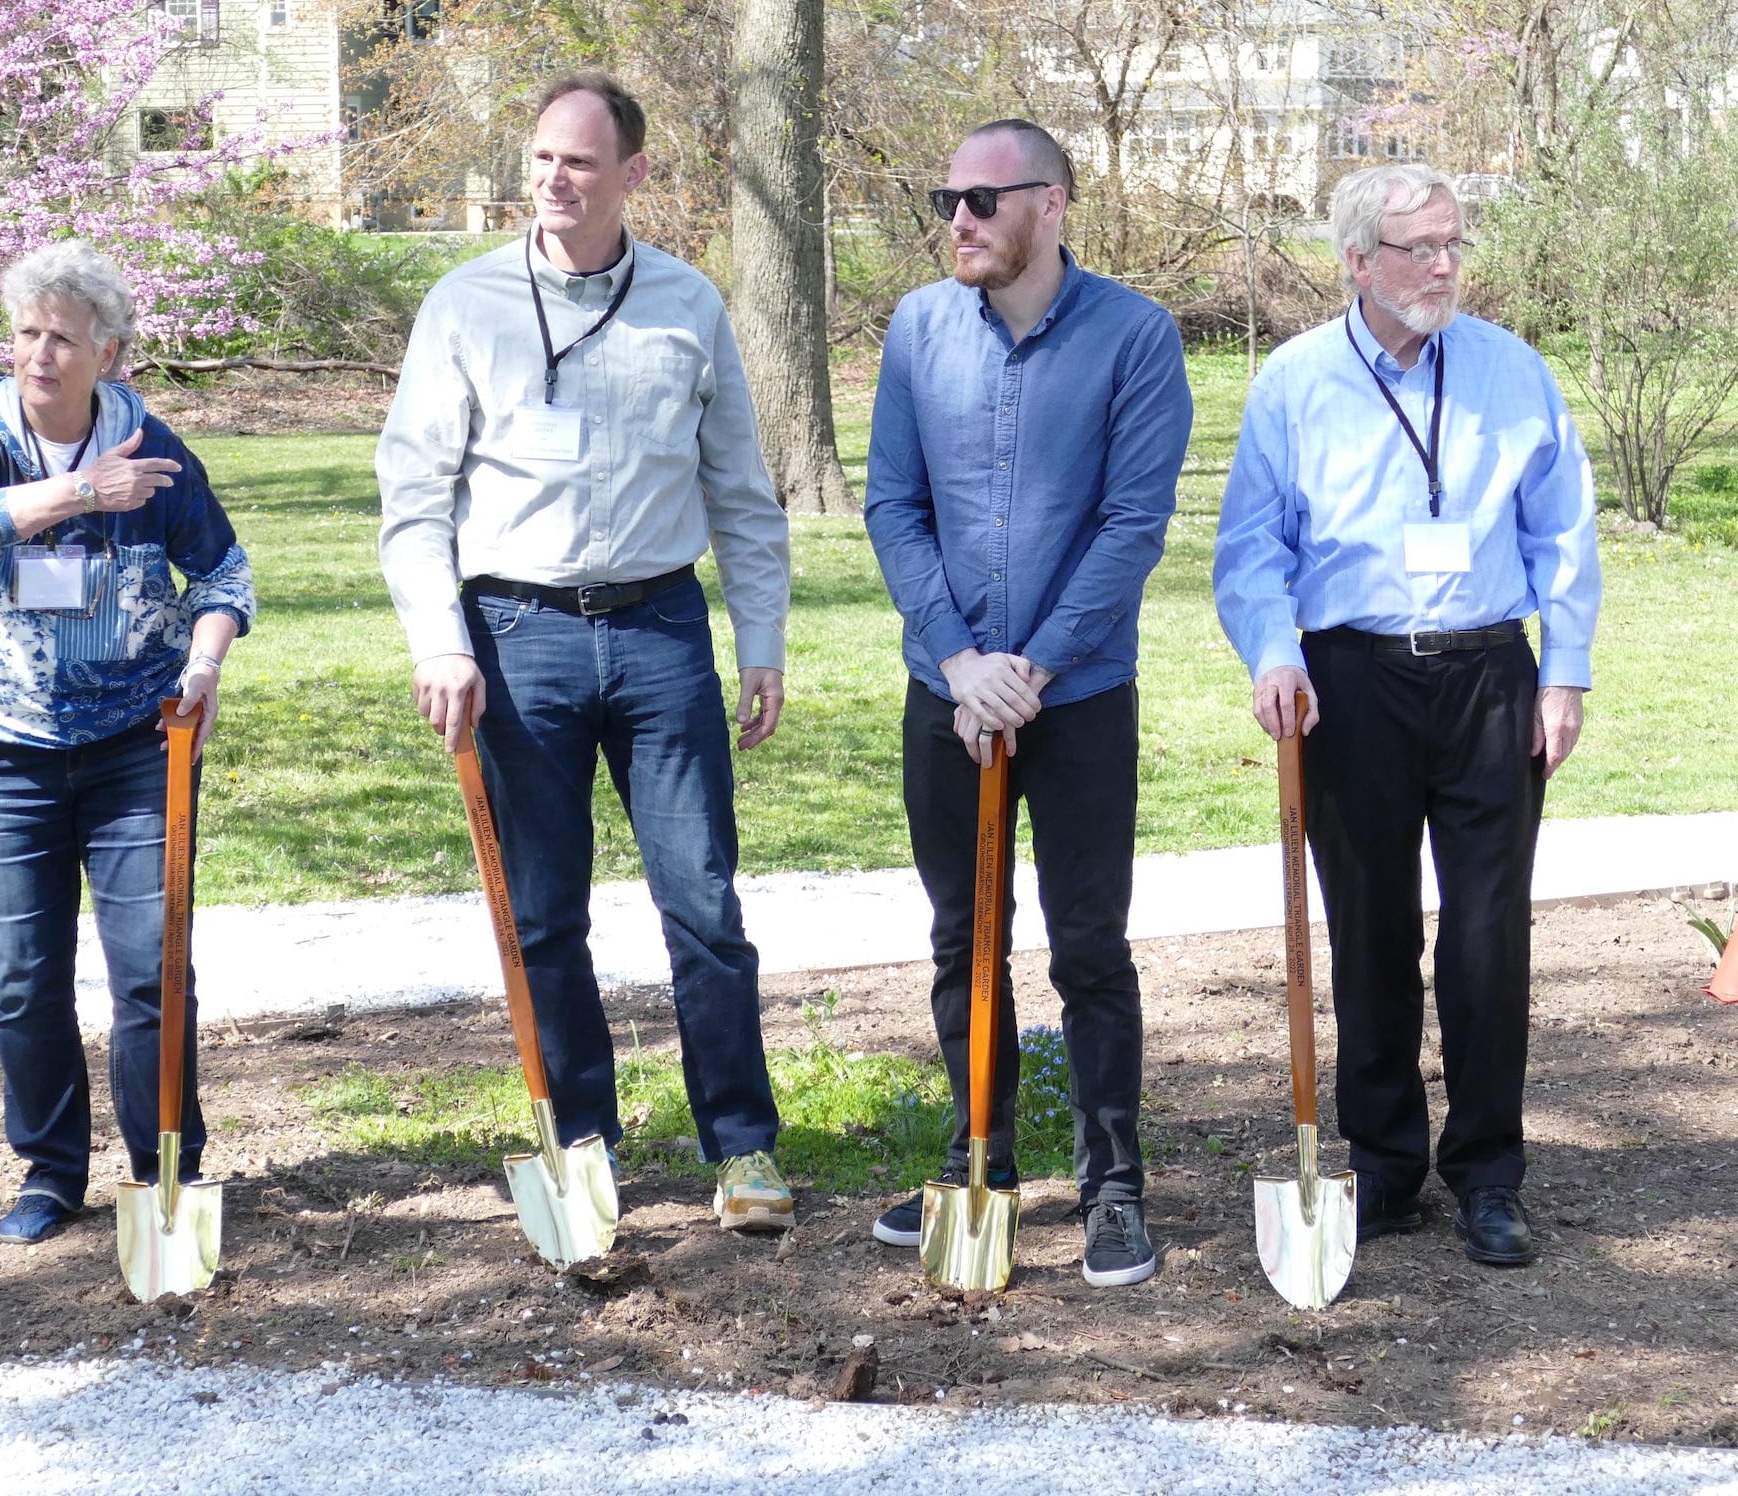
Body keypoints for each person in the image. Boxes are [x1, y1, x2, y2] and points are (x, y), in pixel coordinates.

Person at [376, 71, 797, 1232]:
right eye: (541, 161)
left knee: (702, 901)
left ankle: (744, 1148)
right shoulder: (465, 306)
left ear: (633, 174)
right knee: (546, 914)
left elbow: (741, 492)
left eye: (578, 162)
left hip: (661, 631)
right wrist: (440, 641)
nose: (554, 182)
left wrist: (758, 638)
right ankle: (581, 1144)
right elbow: (413, 497)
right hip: (518, 641)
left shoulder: (687, 304)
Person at [1213, 161, 1600, 1268]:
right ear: (1355, 262)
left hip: (1488, 678)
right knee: (1369, 931)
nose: (1441, 267)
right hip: (1353, 680)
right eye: (1417, 249)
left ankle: (1487, 1172)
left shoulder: (1509, 371)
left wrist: (1562, 671)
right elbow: (1251, 545)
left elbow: (1561, 532)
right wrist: (1273, 652)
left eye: (1452, 246)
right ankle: (1383, 1166)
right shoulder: (1295, 382)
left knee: (1487, 937)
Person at [861, 118, 1194, 1287]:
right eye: (946, 197)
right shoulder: (915, 329)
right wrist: (958, 664)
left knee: (1090, 947)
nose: (959, 218)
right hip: (945, 695)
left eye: (982, 200)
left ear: (1049, 205)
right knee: (966, 938)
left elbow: (1131, 528)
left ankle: (1112, 1186)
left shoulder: (1135, 338)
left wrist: (1030, 670)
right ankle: (979, 1164)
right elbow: (892, 509)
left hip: (1080, 696)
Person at [0, 241, 254, 1245]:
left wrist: (204, 668)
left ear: (107, 351)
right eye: (25, 333)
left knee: (153, 965)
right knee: (24, 974)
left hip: (134, 744)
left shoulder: (154, 447)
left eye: (62, 337)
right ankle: (50, 1172)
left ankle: (165, 1173)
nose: (39, 355)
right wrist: (80, 494)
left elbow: (226, 577)